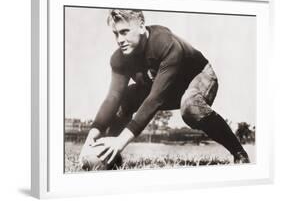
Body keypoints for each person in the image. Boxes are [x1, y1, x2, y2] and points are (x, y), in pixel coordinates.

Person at [79, 9, 250, 170]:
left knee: (190, 107)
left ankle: (239, 152)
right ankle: (109, 158)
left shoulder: (165, 43)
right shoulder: (119, 58)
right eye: (115, 34)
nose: (119, 40)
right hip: (163, 88)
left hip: (197, 77)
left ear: (141, 25)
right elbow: (112, 98)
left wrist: (121, 141)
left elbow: (155, 99)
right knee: (124, 100)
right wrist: (91, 137)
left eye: (124, 32)